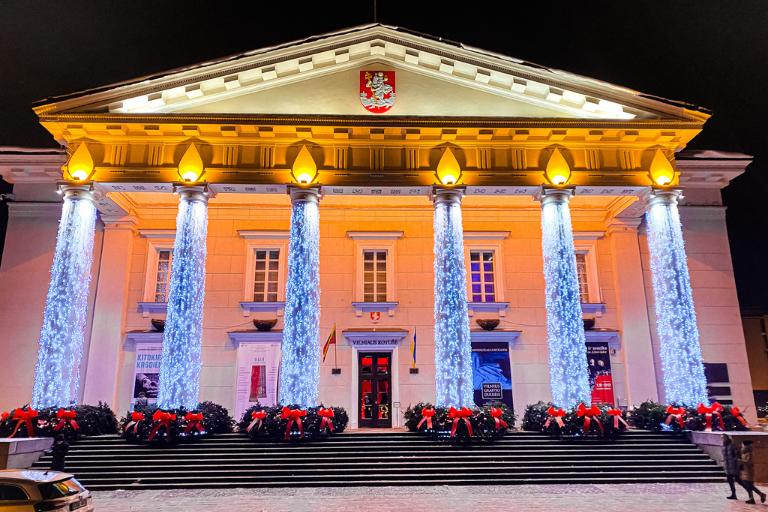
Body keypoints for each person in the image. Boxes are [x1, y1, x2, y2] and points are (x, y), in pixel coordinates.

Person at [739, 439, 766, 504]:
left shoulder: (749, 453)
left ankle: (760, 495)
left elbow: (749, 462)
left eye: (742, 444)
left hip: (748, 471)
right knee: (748, 485)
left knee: (749, 485)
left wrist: (740, 461)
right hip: (745, 471)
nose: (741, 445)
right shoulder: (744, 452)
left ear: (745, 445)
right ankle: (752, 498)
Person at [723, 435, 740, 500]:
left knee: (739, 481)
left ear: (727, 438)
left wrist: (733, 460)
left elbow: (737, 454)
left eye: (724, 438)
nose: (723, 439)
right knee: (730, 480)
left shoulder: (732, 445)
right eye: (722, 438)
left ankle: (750, 493)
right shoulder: (724, 446)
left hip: (733, 466)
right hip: (728, 466)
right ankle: (733, 494)